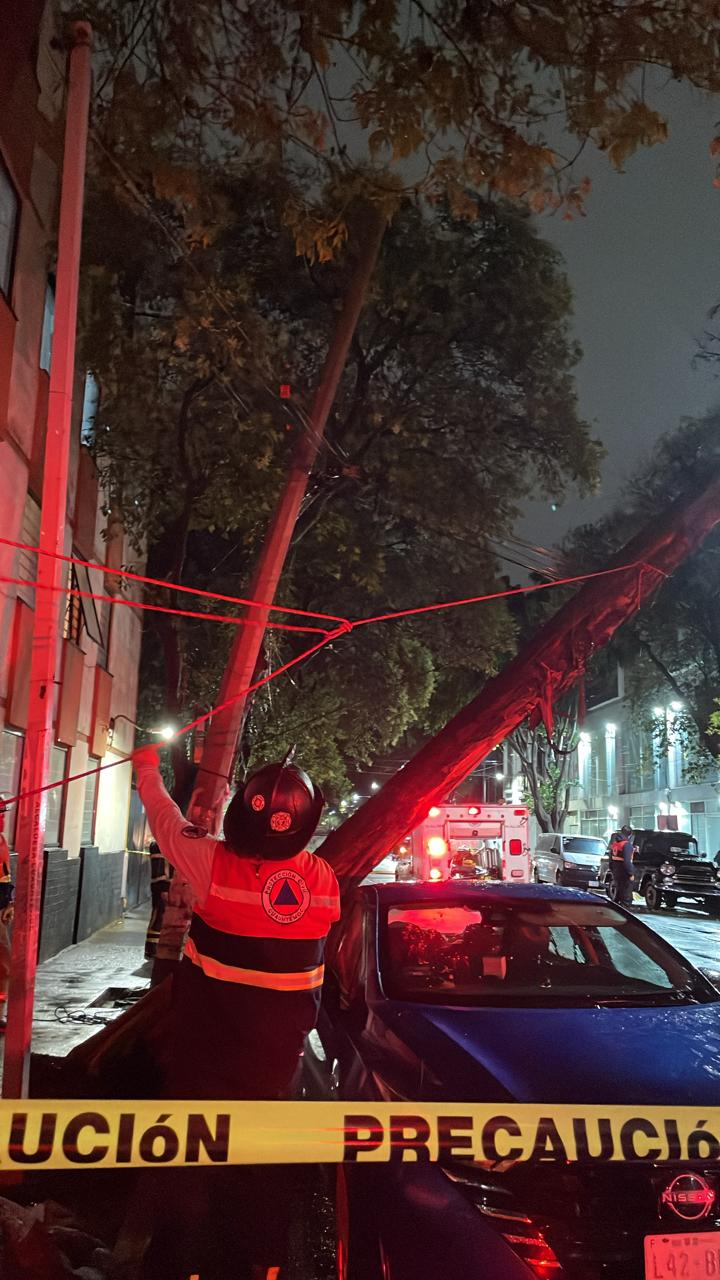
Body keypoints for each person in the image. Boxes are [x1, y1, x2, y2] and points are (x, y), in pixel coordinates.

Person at [133, 745, 340, 1280]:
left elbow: (165, 821)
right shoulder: (323, 883)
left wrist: (147, 767)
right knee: (259, 1169)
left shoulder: (213, 867)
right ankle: (261, 1264)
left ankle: (173, 1265)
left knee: (186, 1165)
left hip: (203, 1057)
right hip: (275, 1067)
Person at [0, 801, 14, 1033]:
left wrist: (9, 902)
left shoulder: (1, 841)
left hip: (0, 909)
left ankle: (0, 1013)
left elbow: (5, 875)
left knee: (4, 965)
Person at [609, 824, 635, 907]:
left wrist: (612, 869)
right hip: (624, 872)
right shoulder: (626, 844)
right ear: (630, 834)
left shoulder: (615, 844)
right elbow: (627, 861)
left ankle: (618, 908)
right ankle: (625, 908)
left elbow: (611, 858)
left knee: (619, 891)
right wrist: (630, 873)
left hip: (616, 870)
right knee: (626, 893)